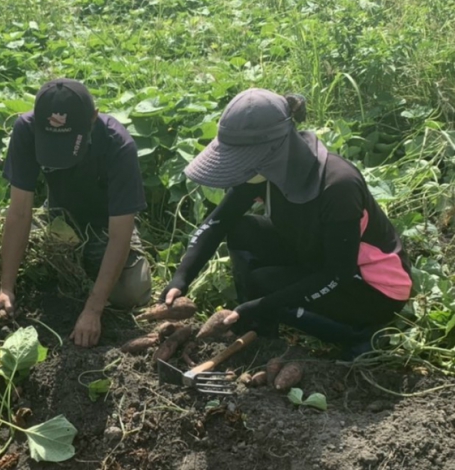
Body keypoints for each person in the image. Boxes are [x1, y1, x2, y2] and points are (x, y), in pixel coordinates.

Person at [160, 88, 412, 357]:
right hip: (316, 255)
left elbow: (337, 272)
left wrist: (266, 303)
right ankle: (254, 324)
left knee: (267, 283)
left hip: (368, 285)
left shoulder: (338, 187)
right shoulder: (264, 171)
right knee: (242, 230)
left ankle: (359, 336)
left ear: (274, 152)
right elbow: (219, 222)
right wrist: (181, 277)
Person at [0, 78, 152, 347]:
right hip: (58, 218)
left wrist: (93, 310)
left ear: (93, 119)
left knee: (132, 291)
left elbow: (119, 235)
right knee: (34, 275)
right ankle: (81, 273)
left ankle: (93, 280)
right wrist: (6, 288)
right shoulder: (26, 130)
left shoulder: (117, 145)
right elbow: (19, 213)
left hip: (105, 226)